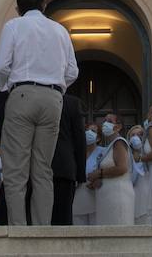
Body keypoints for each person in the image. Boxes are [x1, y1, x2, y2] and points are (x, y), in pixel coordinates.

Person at [0, 0, 80, 226]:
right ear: (44, 6)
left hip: (22, 93)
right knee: (43, 169)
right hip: (53, 98)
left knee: (16, 169)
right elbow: (72, 71)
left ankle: (19, 229)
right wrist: (57, 87)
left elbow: (1, 65)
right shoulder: (60, 30)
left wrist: (5, 88)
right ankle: (42, 228)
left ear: (18, 8)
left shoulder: (13, 26)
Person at [88, 112, 135, 224]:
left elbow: (122, 168)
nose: (105, 124)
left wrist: (99, 173)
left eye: (109, 121)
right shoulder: (110, 146)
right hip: (107, 197)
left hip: (118, 196)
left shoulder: (119, 143)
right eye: (104, 121)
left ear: (118, 126)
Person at [52, 92, 88, 225]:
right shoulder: (71, 102)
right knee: (62, 219)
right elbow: (79, 138)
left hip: (40, 166)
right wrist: (80, 174)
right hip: (64, 167)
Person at [72, 123, 100, 226]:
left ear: (98, 137)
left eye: (93, 131)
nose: (89, 133)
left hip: (96, 200)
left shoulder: (103, 152)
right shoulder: (74, 153)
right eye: (87, 130)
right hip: (77, 199)